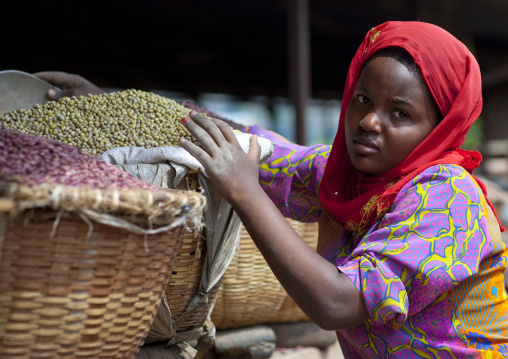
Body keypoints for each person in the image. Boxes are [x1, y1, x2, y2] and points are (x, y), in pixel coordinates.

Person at [177, 21, 508, 358]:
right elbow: (262, 153)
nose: (369, 122)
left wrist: (244, 192)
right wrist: (188, 121)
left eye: (400, 113)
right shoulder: (345, 177)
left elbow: (337, 303)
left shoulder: (447, 196)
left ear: (440, 127)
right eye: (362, 99)